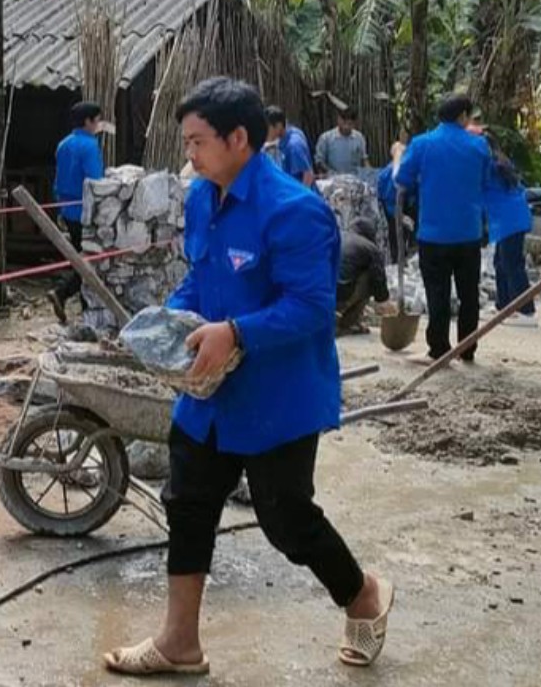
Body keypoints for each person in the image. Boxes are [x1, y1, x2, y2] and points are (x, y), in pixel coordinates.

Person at [103, 77, 392, 678]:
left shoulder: (296, 211)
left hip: (277, 395)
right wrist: (166, 322)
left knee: (286, 521)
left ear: (239, 139)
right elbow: (199, 280)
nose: (189, 154)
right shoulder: (203, 198)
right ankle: (179, 642)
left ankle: (362, 593)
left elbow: (312, 309)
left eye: (197, 142)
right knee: (186, 503)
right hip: (208, 392)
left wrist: (234, 332)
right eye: (186, 143)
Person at [396, 94, 492, 364]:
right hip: (468, 232)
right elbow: (485, 181)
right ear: (463, 116)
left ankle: (439, 349)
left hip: (433, 233)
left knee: (437, 293)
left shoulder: (423, 144)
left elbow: (402, 180)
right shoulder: (479, 146)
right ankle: (468, 349)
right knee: (468, 294)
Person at [48, 101, 106, 325]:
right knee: (88, 262)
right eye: (97, 120)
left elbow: (58, 179)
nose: (99, 125)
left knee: (81, 258)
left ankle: (83, 306)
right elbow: (95, 181)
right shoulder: (90, 146)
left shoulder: (63, 145)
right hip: (85, 211)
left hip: (66, 208)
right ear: (88, 121)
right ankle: (63, 294)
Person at [486, 143, 538, 327]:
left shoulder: (488, 166)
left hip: (509, 220)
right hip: (510, 218)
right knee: (500, 262)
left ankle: (526, 311)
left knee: (512, 264)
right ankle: (504, 305)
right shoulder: (500, 162)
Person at [336, 217, 391, 335]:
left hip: (320, 292)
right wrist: (384, 301)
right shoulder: (370, 248)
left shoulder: (337, 237)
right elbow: (379, 279)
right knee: (369, 276)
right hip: (340, 295)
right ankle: (348, 322)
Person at [264, 106, 315, 187]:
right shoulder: (290, 132)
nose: (264, 132)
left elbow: (308, 176)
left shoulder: (294, 146)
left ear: (278, 125)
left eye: (267, 128)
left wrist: (299, 198)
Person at [316, 108, 369, 177]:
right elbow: (319, 162)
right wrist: (330, 173)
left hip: (354, 178)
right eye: (344, 123)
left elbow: (364, 159)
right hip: (332, 178)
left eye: (350, 124)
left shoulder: (359, 138)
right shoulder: (326, 138)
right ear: (338, 120)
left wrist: (369, 172)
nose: (346, 127)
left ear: (355, 123)